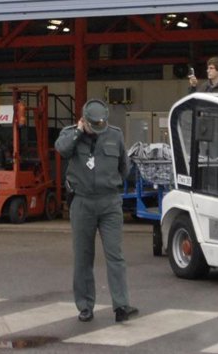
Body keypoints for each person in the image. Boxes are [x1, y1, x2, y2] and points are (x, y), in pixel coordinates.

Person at [54, 98, 138, 324]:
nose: (98, 129)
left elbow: (124, 167)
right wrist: (78, 132)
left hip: (109, 202)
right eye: (93, 126)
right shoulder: (70, 134)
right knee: (83, 257)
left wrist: (111, 184)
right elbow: (62, 150)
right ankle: (85, 306)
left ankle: (121, 305)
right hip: (82, 202)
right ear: (83, 120)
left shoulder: (115, 135)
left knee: (115, 255)